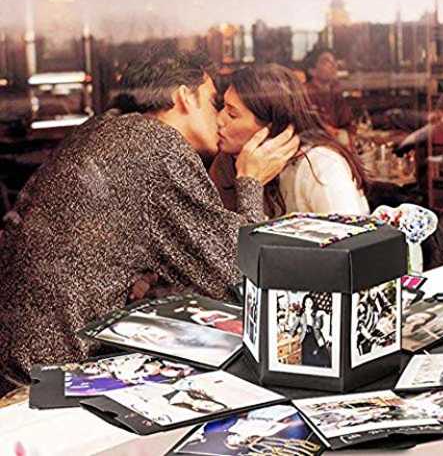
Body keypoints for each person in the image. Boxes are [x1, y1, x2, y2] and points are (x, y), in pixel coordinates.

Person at [0, 44, 299, 397]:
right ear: (185, 96)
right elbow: (238, 276)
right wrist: (251, 181)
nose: (219, 119)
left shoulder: (103, 127)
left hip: (19, 357)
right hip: (54, 378)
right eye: (213, 103)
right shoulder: (158, 147)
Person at [210, 64, 368, 217]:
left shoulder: (321, 165)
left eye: (232, 115)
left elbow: (349, 233)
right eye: (222, 107)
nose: (219, 120)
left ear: (271, 127)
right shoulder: (226, 163)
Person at [303, 48, 354, 145]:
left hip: (336, 146)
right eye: (326, 61)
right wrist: (327, 130)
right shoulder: (304, 93)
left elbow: (347, 124)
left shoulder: (335, 92)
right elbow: (305, 128)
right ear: (312, 70)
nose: (334, 65)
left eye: (334, 61)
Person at [291, 295, 330, 368]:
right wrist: (290, 334)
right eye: (306, 302)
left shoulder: (316, 313)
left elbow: (318, 326)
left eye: (310, 302)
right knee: (307, 357)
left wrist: (317, 316)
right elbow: (295, 326)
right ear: (304, 303)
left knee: (320, 355)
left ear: (312, 303)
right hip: (305, 336)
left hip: (315, 335)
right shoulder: (301, 313)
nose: (308, 304)